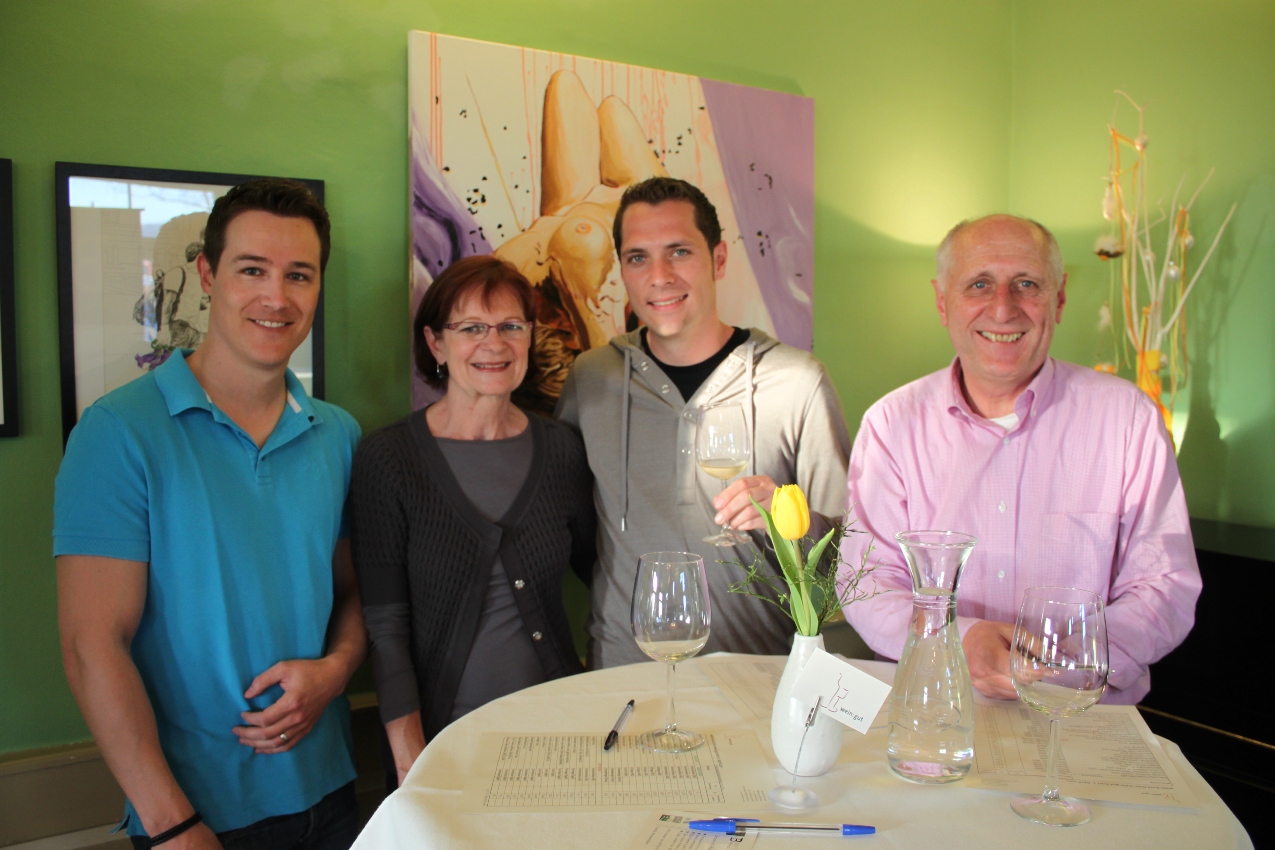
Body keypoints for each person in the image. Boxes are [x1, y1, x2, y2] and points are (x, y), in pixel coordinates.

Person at [54, 179, 366, 848]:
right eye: (252, 269)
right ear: (206, 274)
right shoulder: (118, 433)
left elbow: (354, 590)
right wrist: (173, 825)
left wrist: (337, 669)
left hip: (333, 791)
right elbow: (91, 646)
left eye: (299, 274)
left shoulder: (338, 434)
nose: (276, 297)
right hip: (197, 812)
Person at [842, 214, 1201, 704]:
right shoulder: (890, 424)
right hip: (932, 712)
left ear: (1059, 298)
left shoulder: (1128, 419)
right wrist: (958, 638)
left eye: (1026, 284)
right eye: (979, 284)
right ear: (943, 302)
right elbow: (868, 583)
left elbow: (1164, 585)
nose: (1003, 308)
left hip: (1079, 715)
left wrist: (1061, 664)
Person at [556, 177, 851, 669]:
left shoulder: (799, 382)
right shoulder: (591, 379)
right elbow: (571, 527)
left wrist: (788, 520)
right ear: (622, 270)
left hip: (759, 674)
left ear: (718, 258)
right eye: (638, 257)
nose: (659, 276)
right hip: (622, 675)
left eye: (679, 252)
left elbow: (847, 550)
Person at [349, 255, 595, 784]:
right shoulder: (388, 459)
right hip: (444, 747)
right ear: (436, 343)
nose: (494, 343)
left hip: (558, 734)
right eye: (471, 328)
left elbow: (605, 574)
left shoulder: (561, 450)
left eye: (511, 326)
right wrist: (410, 760)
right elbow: (386, 627)